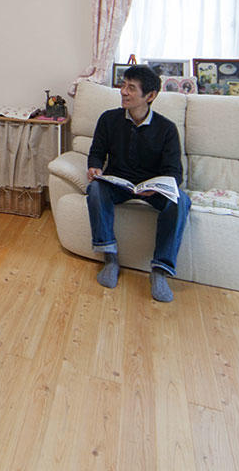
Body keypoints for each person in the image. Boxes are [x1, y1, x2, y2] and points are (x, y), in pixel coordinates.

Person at [86, 64, 191, 302]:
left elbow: (174, 172)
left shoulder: (166, 129)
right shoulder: (108, 119)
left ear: (150, 96)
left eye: (131, 88)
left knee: (180, 201)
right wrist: (94, 167)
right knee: (95, 188)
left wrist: (156, 187)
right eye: (123, 85)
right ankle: (110, 257)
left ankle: (160, 271)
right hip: (118, 183)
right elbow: (96, 153)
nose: (123, 92)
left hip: (151, 188)